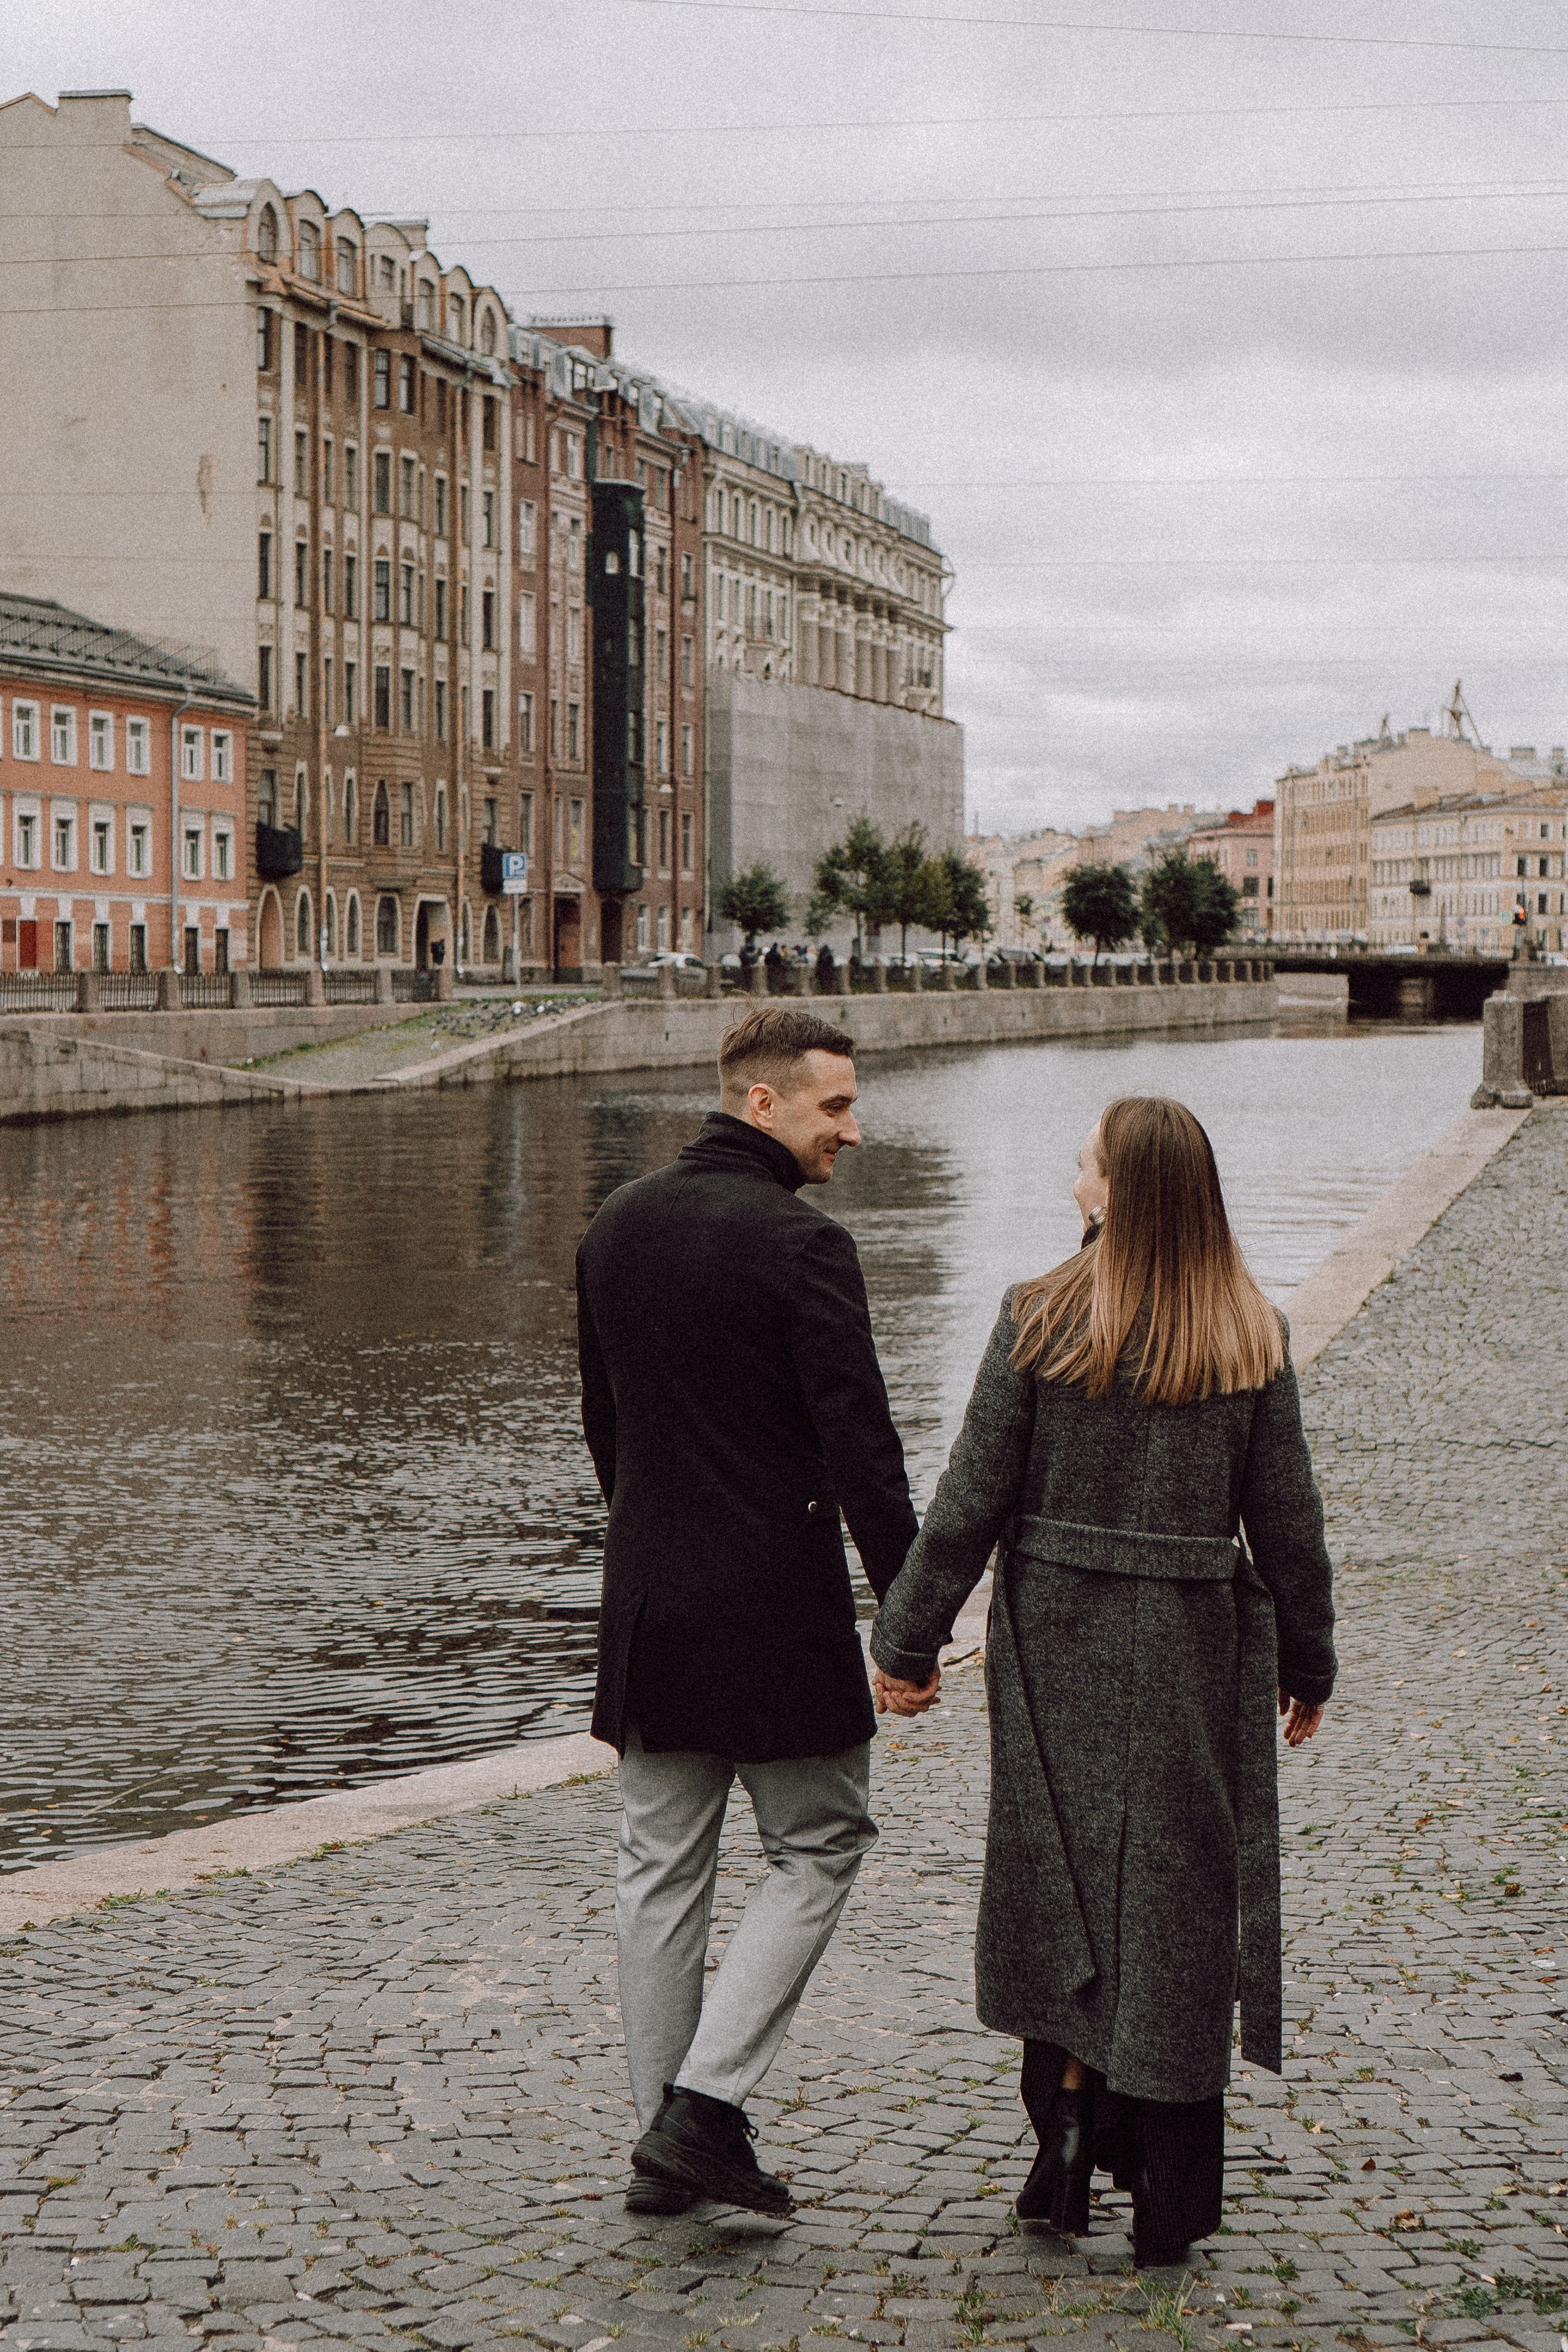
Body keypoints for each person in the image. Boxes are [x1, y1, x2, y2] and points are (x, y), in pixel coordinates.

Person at [869, 1096, 1336, 2266]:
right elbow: (1291, 1530)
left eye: (1085, 1163)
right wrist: (1309, 1663)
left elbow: (969, 1497)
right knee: (1175, 1897)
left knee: (1064, 1880)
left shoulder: (1039, 1317)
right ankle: (1169, 2196)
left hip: (1058, 1640)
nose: (1072, 1176)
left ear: (1121, 1191)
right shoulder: (1249, 1332)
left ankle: (1067, 2139)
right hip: (1191, 1644)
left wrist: (905, 1643)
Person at [576, 1004, 930, 2218]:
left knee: (659, 1869)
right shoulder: (800, 1245)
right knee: (820, 1843)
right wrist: (911, 1617)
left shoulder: (615, 1225)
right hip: (774, 1604)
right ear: (760, 1102)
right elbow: (861, 1451)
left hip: (649, 1597)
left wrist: (655, 1545)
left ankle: (659, 2147)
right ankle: (702, 2112)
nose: (852, 1129)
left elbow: (606, 1428)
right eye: (834, 1105)